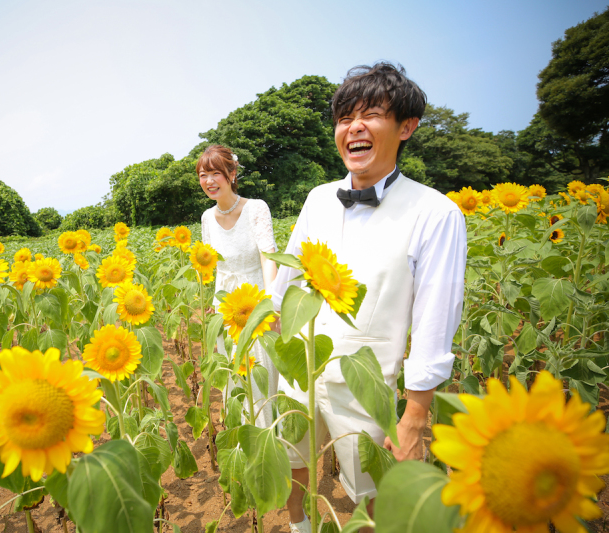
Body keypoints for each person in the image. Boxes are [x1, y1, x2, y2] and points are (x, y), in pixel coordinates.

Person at [267, 63, 466, 533]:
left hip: (365, 386)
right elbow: (289, 282)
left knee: (371, 495)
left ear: (406, 127)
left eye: (371, 114)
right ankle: (300, 528)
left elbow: (436, 321)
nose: (353, 127)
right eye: (343, 118)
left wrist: (415, 418)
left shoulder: (435, 213)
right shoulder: (318, 199)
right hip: (302, 369)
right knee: (296, 462)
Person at [198, 144, 280, 428]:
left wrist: (271, 306)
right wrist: (211, 303)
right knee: (233, 380)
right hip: (225, 309)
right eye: (202, 175)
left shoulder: (255, 209)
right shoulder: (207, 218)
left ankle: (268, 443)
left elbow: (268, 257)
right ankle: (243, 446)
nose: (208, 181)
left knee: (259, 377)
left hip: (254, 304)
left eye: (215, 173)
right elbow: (213, 265)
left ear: (232, 174)